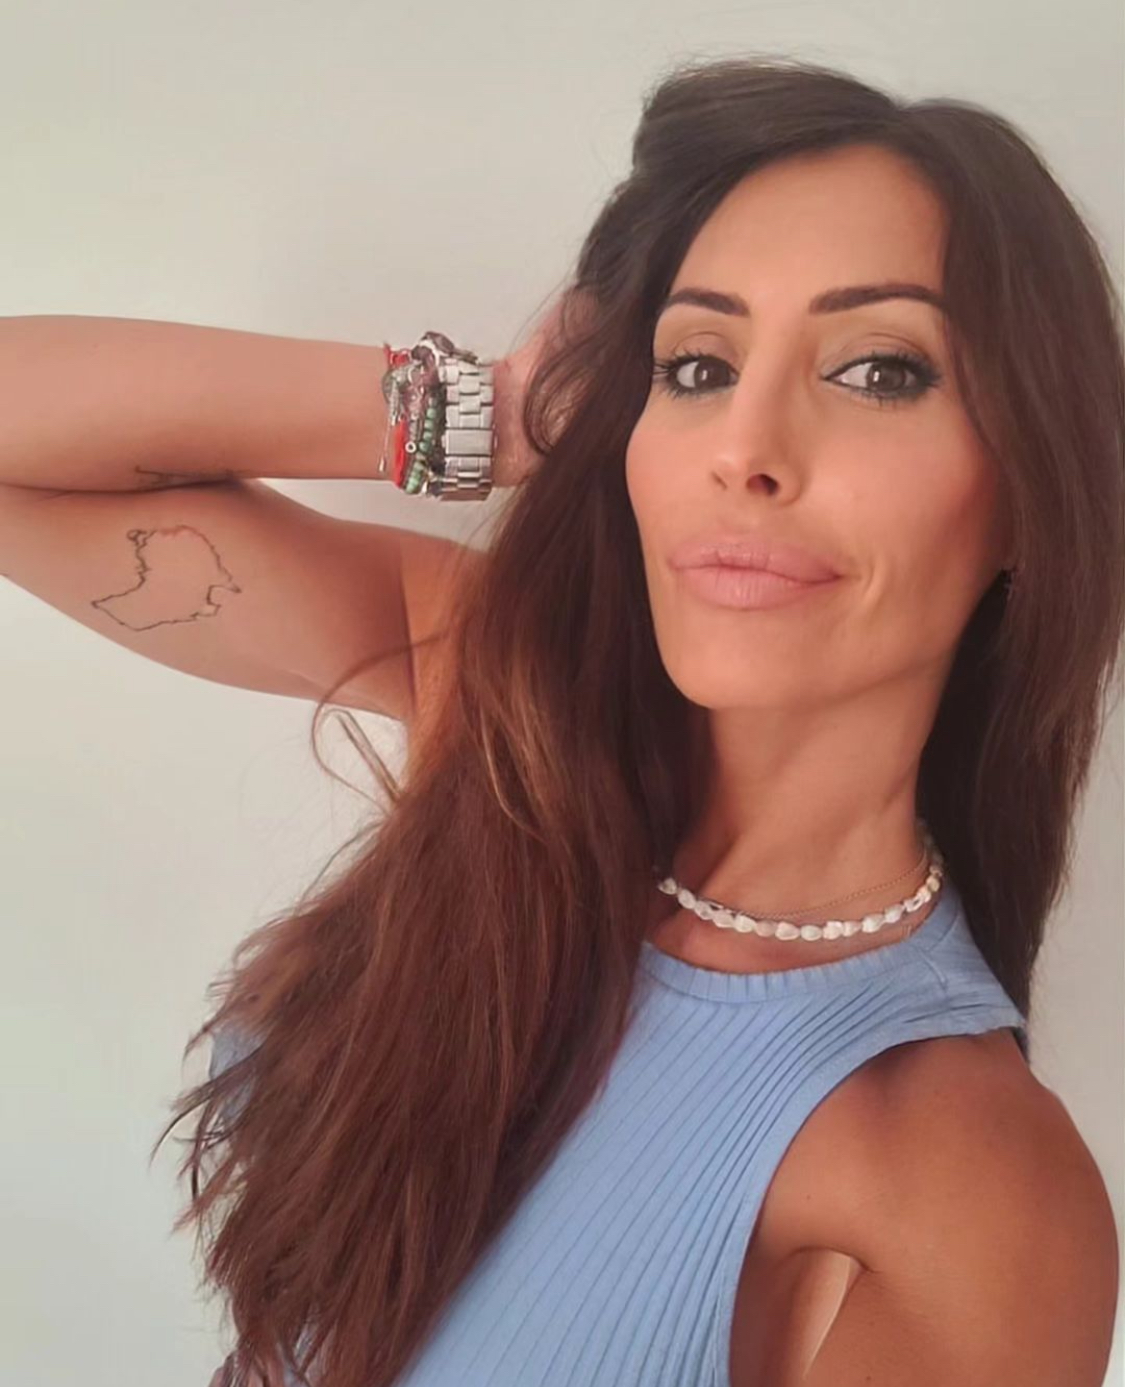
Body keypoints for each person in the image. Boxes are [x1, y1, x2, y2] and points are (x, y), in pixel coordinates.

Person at [3, 55, 1120, 1387]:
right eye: (696, 365)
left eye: (878, 371)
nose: (741, 448)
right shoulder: (504, 721)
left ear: (1031, 488)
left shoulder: (964, 1190)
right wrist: (490, 416)